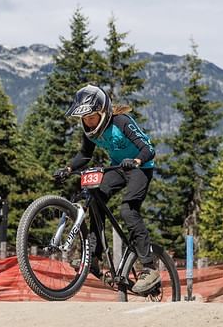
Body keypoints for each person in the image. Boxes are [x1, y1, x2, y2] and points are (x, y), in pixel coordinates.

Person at [54, 84, 159, 294]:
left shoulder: (121, 122)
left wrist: (137, 160)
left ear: (103, 111)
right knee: (95, 199)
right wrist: (67, 169)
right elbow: (85, 155)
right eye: (84, 118)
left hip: (140, 167)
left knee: (128, 211)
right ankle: (94, 255)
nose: (88, 122)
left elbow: (148, 148)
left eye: (92, 117)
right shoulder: (90, 131)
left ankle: (149, 268)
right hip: (118, 168)